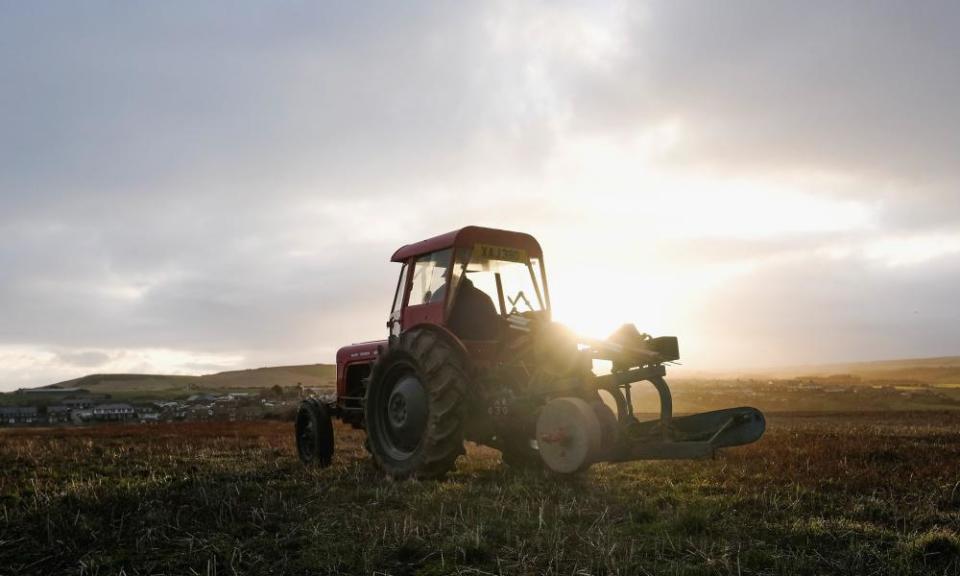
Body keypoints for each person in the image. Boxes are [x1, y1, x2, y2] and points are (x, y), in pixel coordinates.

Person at [447, 275, 499, 340]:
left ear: (454, 279)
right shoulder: (483, 297)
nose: (445, 281)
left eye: (447, 278)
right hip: (477, 341)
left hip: (470, 343)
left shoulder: (453, 299)